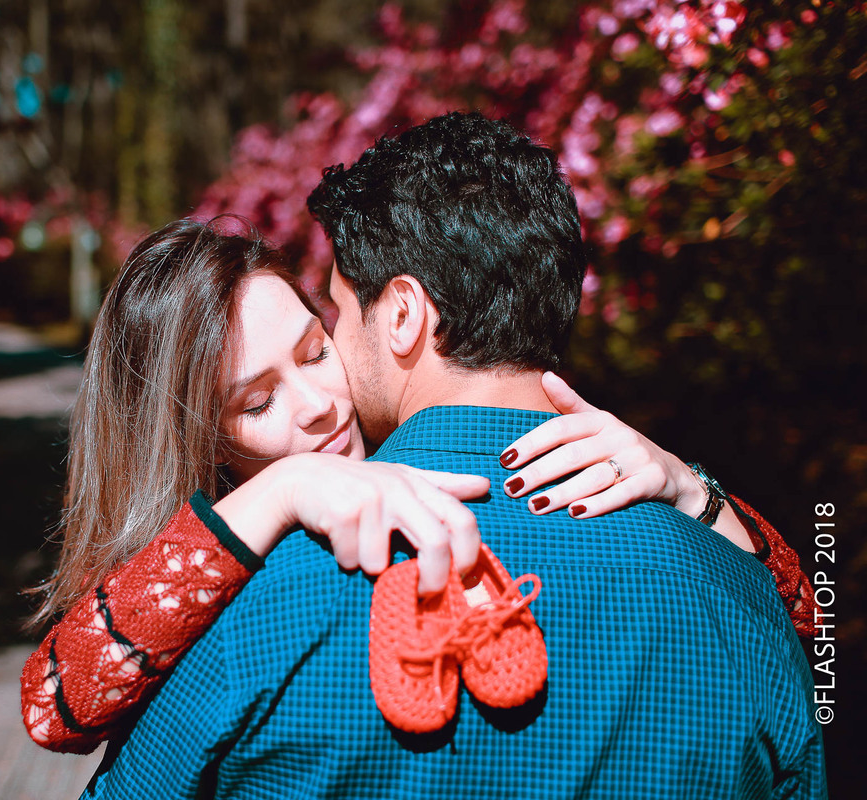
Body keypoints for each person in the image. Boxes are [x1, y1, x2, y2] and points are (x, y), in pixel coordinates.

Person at [78, 112, 824, 798]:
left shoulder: (246, 615)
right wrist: (699, 503)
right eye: (257, 400)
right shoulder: (735, 594)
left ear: (401, 314)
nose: (322, 387)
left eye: (330, 319)